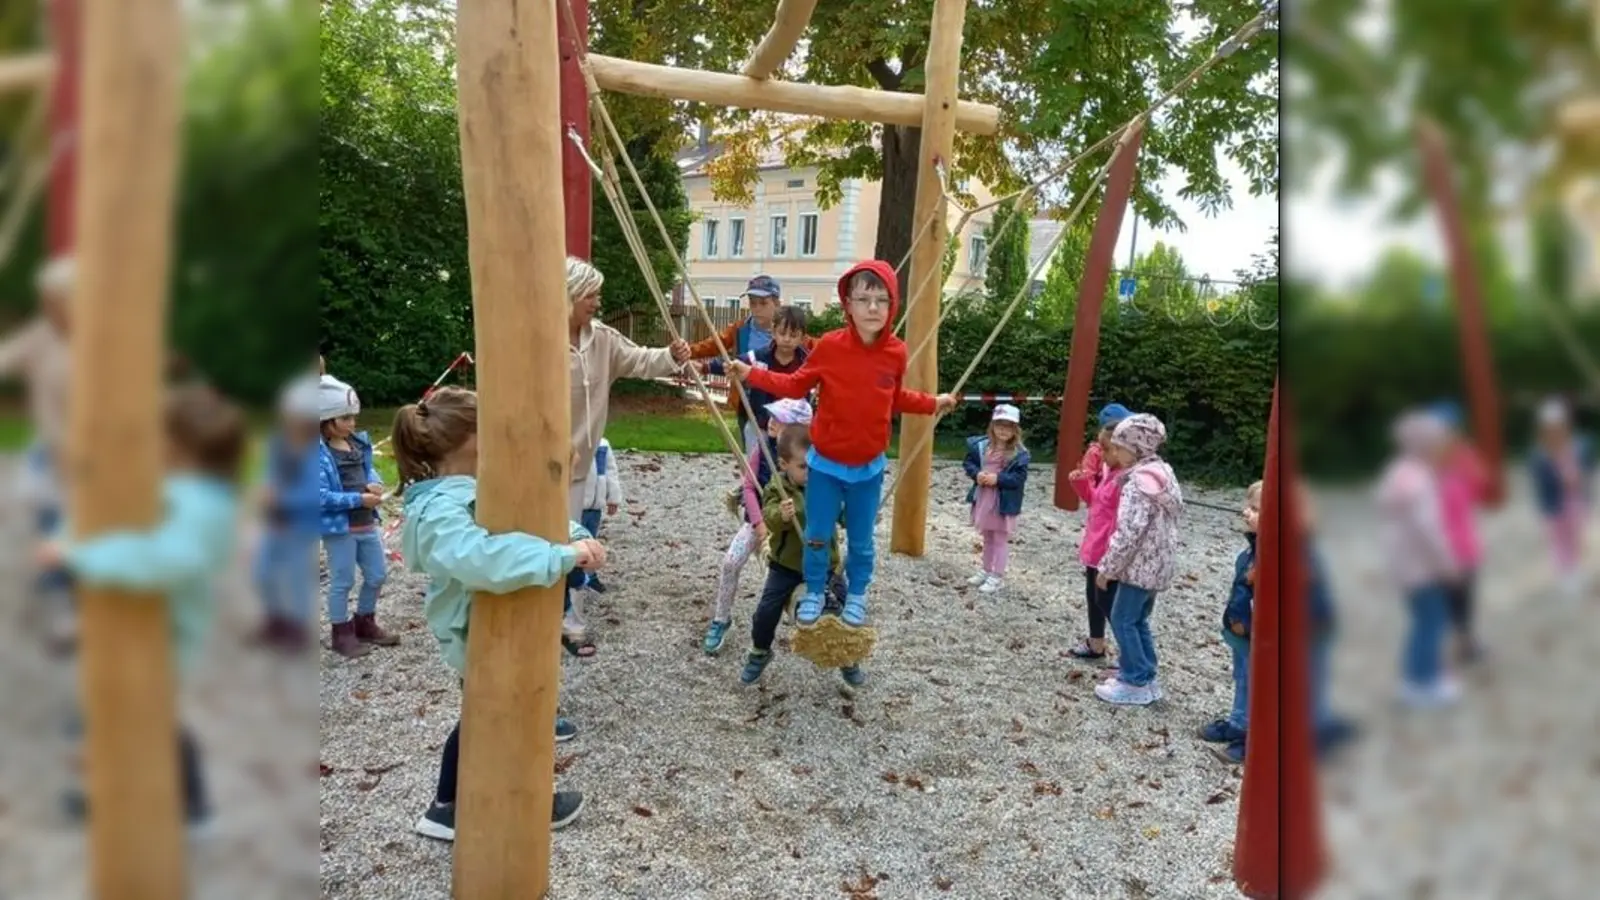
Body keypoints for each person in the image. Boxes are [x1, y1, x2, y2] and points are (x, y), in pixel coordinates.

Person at [40, 384, 248, 834]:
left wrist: (80, 555)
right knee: (114, 708)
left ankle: (189, 807)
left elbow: (163, 559)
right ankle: (104, 786)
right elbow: (102, 517)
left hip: (165, 630)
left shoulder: (204, 504)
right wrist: (68, 541)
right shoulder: (168, 487)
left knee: (149, 715)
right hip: (126, 620)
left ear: (176, 445)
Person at [390, 387, 592, 841]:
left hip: (497, 623)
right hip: (476, 632)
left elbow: (525, 519)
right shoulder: (441, 505)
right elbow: (478, 557)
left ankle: (464, 804)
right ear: (471, 439)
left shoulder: (479, 486)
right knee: (496, 717)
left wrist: (575, 538)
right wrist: (559, 556)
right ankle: (481, 806)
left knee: (496, 713)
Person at [728, 261, 958, 628]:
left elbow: (895, 397)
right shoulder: (831, 347)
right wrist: (752, 373)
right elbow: (795, 384)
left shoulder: (896, 352)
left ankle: (857, 594)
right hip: (826, 465)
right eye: (863, 299)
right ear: (847, 304)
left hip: (868, 467)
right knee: (818, 534)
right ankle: (816, 590)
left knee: (863, 542)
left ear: (892, 306)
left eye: (881, 300)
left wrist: (933, 403)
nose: (872, 308)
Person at [566, 257, 690, 628]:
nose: (597, 302)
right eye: (590, 294)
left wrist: (670, 357)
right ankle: (535, 611)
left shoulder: (601, 338)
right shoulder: (538, 340)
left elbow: (638, 359)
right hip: (540, 461)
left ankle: (568, 615)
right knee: (540, 540)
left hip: (578, 463)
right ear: (568, 294)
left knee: (571, 540)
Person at [740, 426, 854, 686]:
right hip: (787, 566)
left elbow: (843, 514)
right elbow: (768, 517)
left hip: (826, 565)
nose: (811, 473)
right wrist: (781, 514)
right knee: (766, 612)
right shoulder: (777, 488)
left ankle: (849, 657)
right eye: (804, 467)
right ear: (784, 464)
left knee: (846, 610)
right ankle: (760, 651)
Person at [0, 257, 76, 647]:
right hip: (51, 450)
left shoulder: (103, 339)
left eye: (54, 301)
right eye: (44, 300)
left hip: (89, 457)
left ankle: (78, 594)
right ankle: (61, 608)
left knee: (82, 529)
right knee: (52, 524)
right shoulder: (42, 333)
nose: (47, 308)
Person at [704, 398, 813, 655]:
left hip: (791, 528)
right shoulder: (763, 447)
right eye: (773, 416)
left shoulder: (808, 461)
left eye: (780, 419)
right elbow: (750, 487)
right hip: (760, 520)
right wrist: (759, 523)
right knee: (731, 562)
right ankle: (721, 619)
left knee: (779, 578)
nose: (772, 421)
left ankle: (798, 615)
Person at [1092, 413, 1183, 706]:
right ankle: (1145, 671)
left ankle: (1136, 680)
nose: (1114, 453)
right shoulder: (1162, 473)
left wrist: (1108, 568)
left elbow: (1129, 531)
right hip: (1157, 565)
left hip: (1139, 567)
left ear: (1134, 449)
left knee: (1123, 619)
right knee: (1138, 619)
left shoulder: (1137, 484)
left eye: (1118, 447)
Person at [1376, 409, 1462, 708]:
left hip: (1404, 565)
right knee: (1432, 622)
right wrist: (1447, 563)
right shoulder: (1420, 479)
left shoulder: (1397, 473)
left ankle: (1416, 678)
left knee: (1421, 621)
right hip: (1424, 567)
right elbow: (1430, 529)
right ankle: (1423, 681)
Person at [317, 373, 396, 658]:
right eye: (345, 418)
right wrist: (358, 498)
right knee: (343, 580)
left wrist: (373, 482)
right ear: (326, 421)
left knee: (377, 574)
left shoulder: (357, 444)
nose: (353, 423)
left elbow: (368, 469)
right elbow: (320, 496)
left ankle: (365, 621)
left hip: (365, 524)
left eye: (353, 417)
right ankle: (341, 632)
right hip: (340, 529)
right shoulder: (317, 453)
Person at [690, 276, 812, 454]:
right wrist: (693, 357)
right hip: (750, 404)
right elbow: (719, 348)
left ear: (777, 303)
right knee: (754, 455)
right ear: (774, 334)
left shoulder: (800, 342)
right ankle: (752, 480)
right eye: (753, 303)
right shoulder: (741, 329)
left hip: (791, 415)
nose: (756, 309)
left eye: (763, 303)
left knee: (789, 457)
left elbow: (825, 360)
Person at [253, 371, 324, 652]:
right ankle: (274, 620)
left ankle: (297, 628)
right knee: (263, 572)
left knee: (297, 575)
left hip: (301, 522)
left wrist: (280, 498)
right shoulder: (278, 443)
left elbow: (311, 493)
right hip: (276, 520)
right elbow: (269, 473)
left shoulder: (315, 451)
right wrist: (266, 490)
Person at [1200, 481, 1262, 763]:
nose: (1245, 512)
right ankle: (1239, 722)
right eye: (1247, 506)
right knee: (1242, 678)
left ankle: (1255, 737)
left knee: (1260, 684)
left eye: (1255, 509)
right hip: (1242, 631)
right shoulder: (1255, 548)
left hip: (1260, 636)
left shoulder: (1280, 554)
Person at [1066, 402, 1132, 663]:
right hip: (1095, 544)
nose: (1099, 453)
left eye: (1104, 449)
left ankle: (1129, 657)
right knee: (1093, 598)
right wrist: (1081, 483)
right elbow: (1095, 502)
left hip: (1109, 548)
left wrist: (1113, 552)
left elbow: (1123, 519)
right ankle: (1096, 644)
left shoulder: (1126, 478)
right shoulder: (1110, 472)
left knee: (1110, 603)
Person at [1430, 401, 1491, 663]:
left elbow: (1479, 490)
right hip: (1440, 545)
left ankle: (1465, 641)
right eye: (1442, 431)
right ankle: (1455, 643)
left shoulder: (1465, 456)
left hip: (1464, 542)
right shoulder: (1426, 467)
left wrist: (1472, 469)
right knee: (1447, 598)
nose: (1448, 436)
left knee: (1465, 596)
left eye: (1451, 430)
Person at [962, 404, 1031, 594]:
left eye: (1008, 426)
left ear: (1015, 430)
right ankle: (986, 570)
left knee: (999, 538)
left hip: (1003, 502)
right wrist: (977, 475)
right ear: (992, 426)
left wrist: (997, 479)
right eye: (999, 425)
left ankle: (997, 575)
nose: (1003, 430)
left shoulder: (1019, 454)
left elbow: (1018, 479)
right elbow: (968, 463)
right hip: (984, 497)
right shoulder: (982, 446)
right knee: (987, 537)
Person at [1529, 397, 1593, 595]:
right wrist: (1560, 480)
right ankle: (1565, 576)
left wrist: (1582, 478)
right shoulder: (1539, 455)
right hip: (1554, 504)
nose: (1555, 432)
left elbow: (1588, 468)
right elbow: (1540, 482)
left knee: (1575, 539)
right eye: (1550, 428)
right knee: (1558, 541)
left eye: (1559, 426)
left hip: (1576, 502)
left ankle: (1574, 570)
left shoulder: (1579, 445)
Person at [575, 436, 624, 595]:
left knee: (592, 539)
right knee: (578, 540)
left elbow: (610, 471)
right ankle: (577, 576)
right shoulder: (576, 441)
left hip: (595, 506)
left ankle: (591, 575)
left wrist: (613, 498)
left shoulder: (603, 444)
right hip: (579, 505)